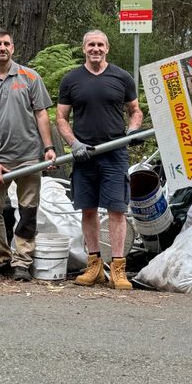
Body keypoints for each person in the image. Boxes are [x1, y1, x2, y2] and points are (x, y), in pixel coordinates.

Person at [56, 30, 144, 291]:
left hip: (114, 154)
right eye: (91, 45)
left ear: (107, 48)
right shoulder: (71, 79)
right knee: (88, 209)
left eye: (100, 45)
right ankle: (94, 266)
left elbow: (135, 111)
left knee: (117, 209)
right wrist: (74, 144)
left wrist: (134, 130)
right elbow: (61, 117)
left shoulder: (122, 77)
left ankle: (118, 267)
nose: (96, 49)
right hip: (85, 155)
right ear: (84, 49)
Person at [0, 29, 56, 281]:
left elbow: (41, 114)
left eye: (6, 43)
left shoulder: (30, 77)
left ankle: (22, 262)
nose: (2, 47)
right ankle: (0, 258)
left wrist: (49, 149)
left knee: (28, 211)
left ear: (13, 48)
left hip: (29, 157)